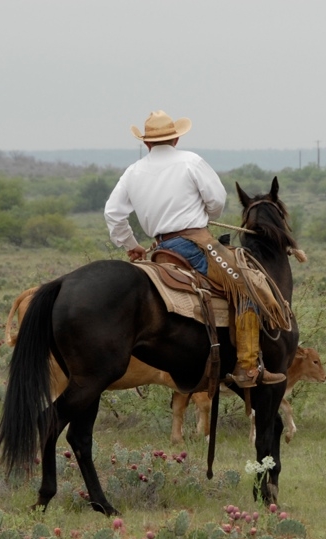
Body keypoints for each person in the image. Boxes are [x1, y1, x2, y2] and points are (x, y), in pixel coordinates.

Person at [104, 110, 285, 388]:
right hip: (194, 245)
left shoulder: (133, 171)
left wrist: (132, 246)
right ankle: (248, 367)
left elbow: (113, 214)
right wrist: (204, 214)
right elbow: (217, 200)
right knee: (247, 284)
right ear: (175, 138)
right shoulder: (191, 161)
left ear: (146, 143)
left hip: (161, 249)